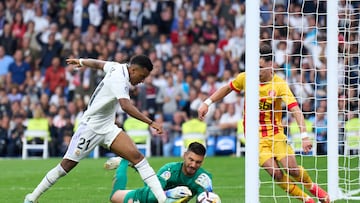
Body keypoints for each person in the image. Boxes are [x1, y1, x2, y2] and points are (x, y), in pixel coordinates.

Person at [24, 55, 167, 203]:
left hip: (107, 127)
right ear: (133, 69)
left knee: (138, 159)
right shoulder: (119, 78)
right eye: (142, 76)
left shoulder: (116, 66)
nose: (142, 80)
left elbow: (99, 64)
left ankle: (163, 200)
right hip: (90, 127)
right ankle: (32, 198)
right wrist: (151, 123)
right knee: (65, 166)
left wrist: (80, 61)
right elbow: (125, 106)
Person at [197, 44, 330, 203]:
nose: (257, 70)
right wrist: (207, 102)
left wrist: (304, 136)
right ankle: (307, 200)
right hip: (255, 137)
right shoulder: (247, 78)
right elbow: (227, 88)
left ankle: (312, 187)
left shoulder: (279, 84)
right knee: (276, 173)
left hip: (275, 133)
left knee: (292, 169)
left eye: (260, 67)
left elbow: (295, 110)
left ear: (270, 64)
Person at [104, 142, 219, 203]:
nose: (193, 165)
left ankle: (134, 165)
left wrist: (209, 192)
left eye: (198, 162)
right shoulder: (169, 170)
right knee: (114, 197)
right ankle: (124, 161)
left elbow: (206, 200)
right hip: (145, 199)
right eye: (191, 160)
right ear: (184, 156)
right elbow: (152, 196)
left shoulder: (203, 179)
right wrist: (168, 194)